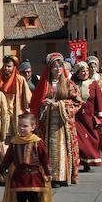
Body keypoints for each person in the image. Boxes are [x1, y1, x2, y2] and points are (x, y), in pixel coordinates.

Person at [0, 112, 53, 202]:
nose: (22, 128)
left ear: (33, 127)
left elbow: (45, 159)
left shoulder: (37, 141)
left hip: (34, 176)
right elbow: (8, 159)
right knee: (20, 199)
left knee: (34, 200)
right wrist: (0, 170)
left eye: (25, 126)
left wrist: (48, 172)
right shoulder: (15, 142)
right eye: (20, 125)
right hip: (19, 176)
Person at [30, 53, 82, 186]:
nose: (58, 69)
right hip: (47, 123)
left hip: (63, 123)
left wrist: (61, 105)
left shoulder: (68, 84)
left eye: (60, 66)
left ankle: (64, 175)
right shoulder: (44, 85)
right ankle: (51, 176)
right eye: (55, 67)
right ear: (50, 68)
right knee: (49, 148)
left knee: (64, 148)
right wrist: (44, 103)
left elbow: (78, 102)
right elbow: (35, 103)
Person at [71, 62, 102, 170]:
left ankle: (89, 161)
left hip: (89, 117)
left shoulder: (94, 84)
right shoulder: (73, 84)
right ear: (77, 73)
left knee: (91, 140)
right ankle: (80, 161)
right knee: (79, 140)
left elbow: (99, 100)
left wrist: (99, 115)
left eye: (86, 71)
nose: (85, 73)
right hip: (77, 117)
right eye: (82, 71)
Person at [0, 54, 32, 139]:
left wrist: (27, 111)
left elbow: (27, 97)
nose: (6, 68)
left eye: (9, 66)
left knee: (17, 136)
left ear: (14, 67)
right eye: (5, 66)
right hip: (2, 113)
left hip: (16, 112)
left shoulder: (20, 79)